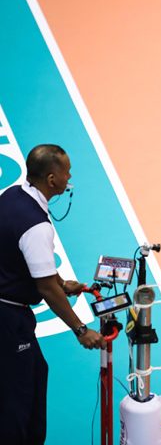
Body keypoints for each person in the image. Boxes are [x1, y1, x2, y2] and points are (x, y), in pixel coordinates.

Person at [0, 144, 106, 445]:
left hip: (9, 311)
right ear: (51, 179)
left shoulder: (12, 194)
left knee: (35, 371)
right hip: (8, 318)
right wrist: (81, 329)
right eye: (66, 172)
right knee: (17, 397)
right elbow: (45, 288)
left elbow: (29, 262)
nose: (70, 176)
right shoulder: (37, 226)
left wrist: (61, 281)